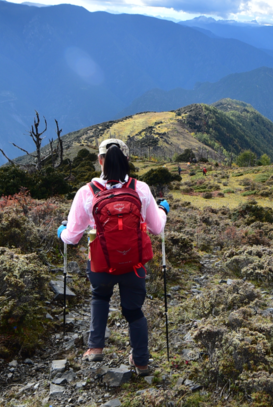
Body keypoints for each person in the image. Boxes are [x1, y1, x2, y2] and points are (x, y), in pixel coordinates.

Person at [57, 139, 168, 374]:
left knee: (100, 297)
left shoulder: (86, 192)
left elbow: (72, 237)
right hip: (134, 265)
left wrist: (61, 232)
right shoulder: (141, 189)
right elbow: (157, 228)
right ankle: (141, 361)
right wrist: (162, 210)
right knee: (134, 311)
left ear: (100, 160)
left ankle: (95, 348)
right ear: (127, 160)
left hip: (100, 264)